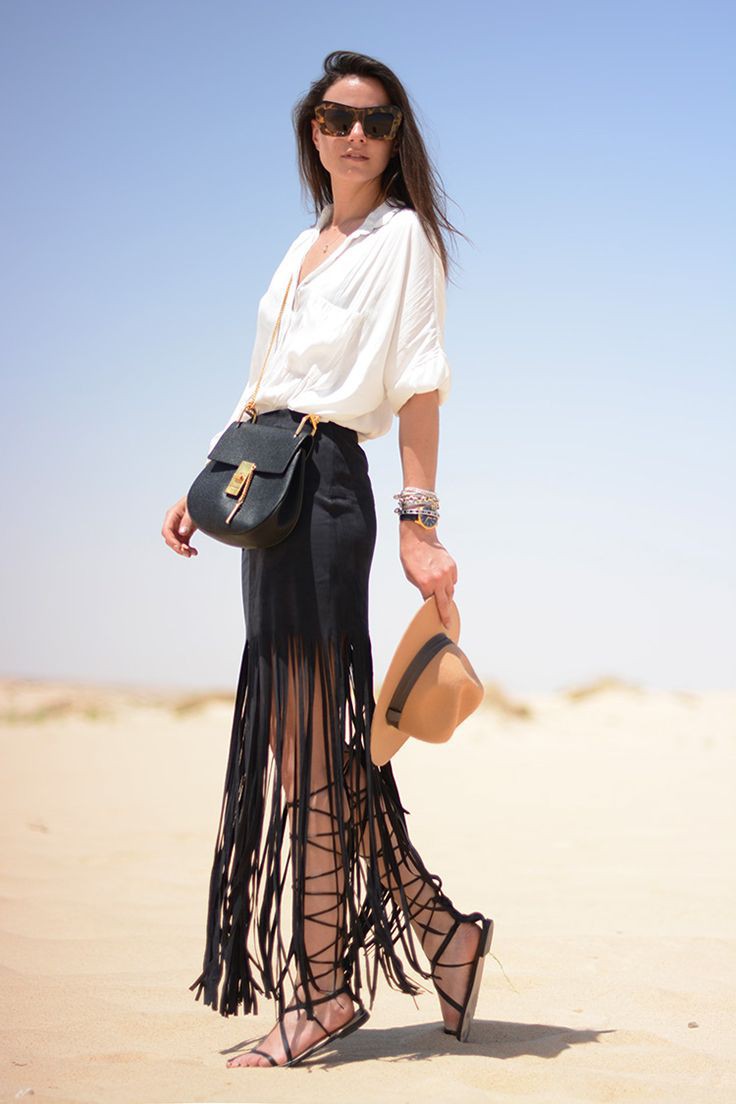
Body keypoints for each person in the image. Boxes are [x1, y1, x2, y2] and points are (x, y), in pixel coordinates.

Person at [161, 49, 492, 1069]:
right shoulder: (300, 248)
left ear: (397, 140)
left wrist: (419, 521)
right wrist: (199, 480)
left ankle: (324, 991)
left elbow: (420, 384)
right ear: (313, 130)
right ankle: (437, 932)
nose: (356, 132)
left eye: (378, 120)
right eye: (338, 116)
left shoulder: (404, 243)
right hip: (263, 492)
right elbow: (262, 382)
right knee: (297, 748)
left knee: (309, 747)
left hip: (332, 488)